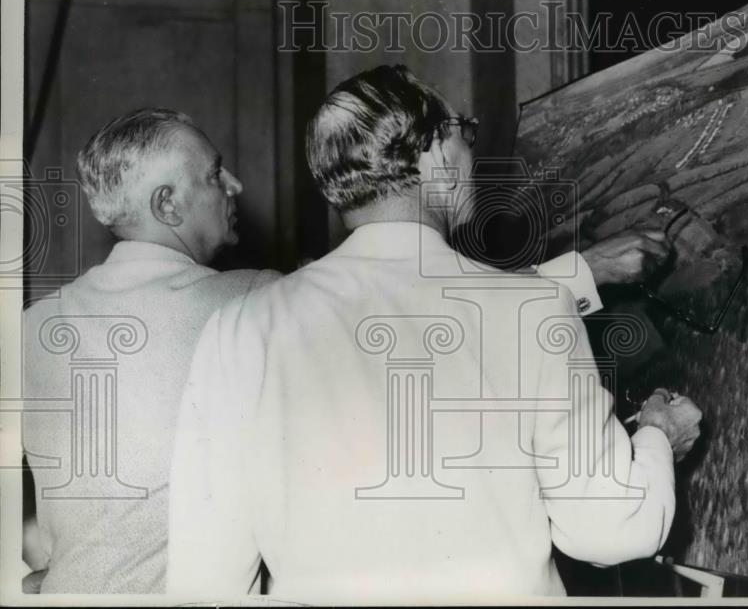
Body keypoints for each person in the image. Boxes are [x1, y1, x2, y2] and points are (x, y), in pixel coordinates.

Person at [166, 65, 702, 602]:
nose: (473, 154)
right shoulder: (535, 310)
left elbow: (205, 579)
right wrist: (656, 435)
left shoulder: (239, 329)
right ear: (436, 156)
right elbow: (613, 530)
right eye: (464, 133)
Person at [21, 109, 280, 593]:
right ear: (168, 205)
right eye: (214, 173)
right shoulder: (259, 301)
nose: (235, 185)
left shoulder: (33, 325)